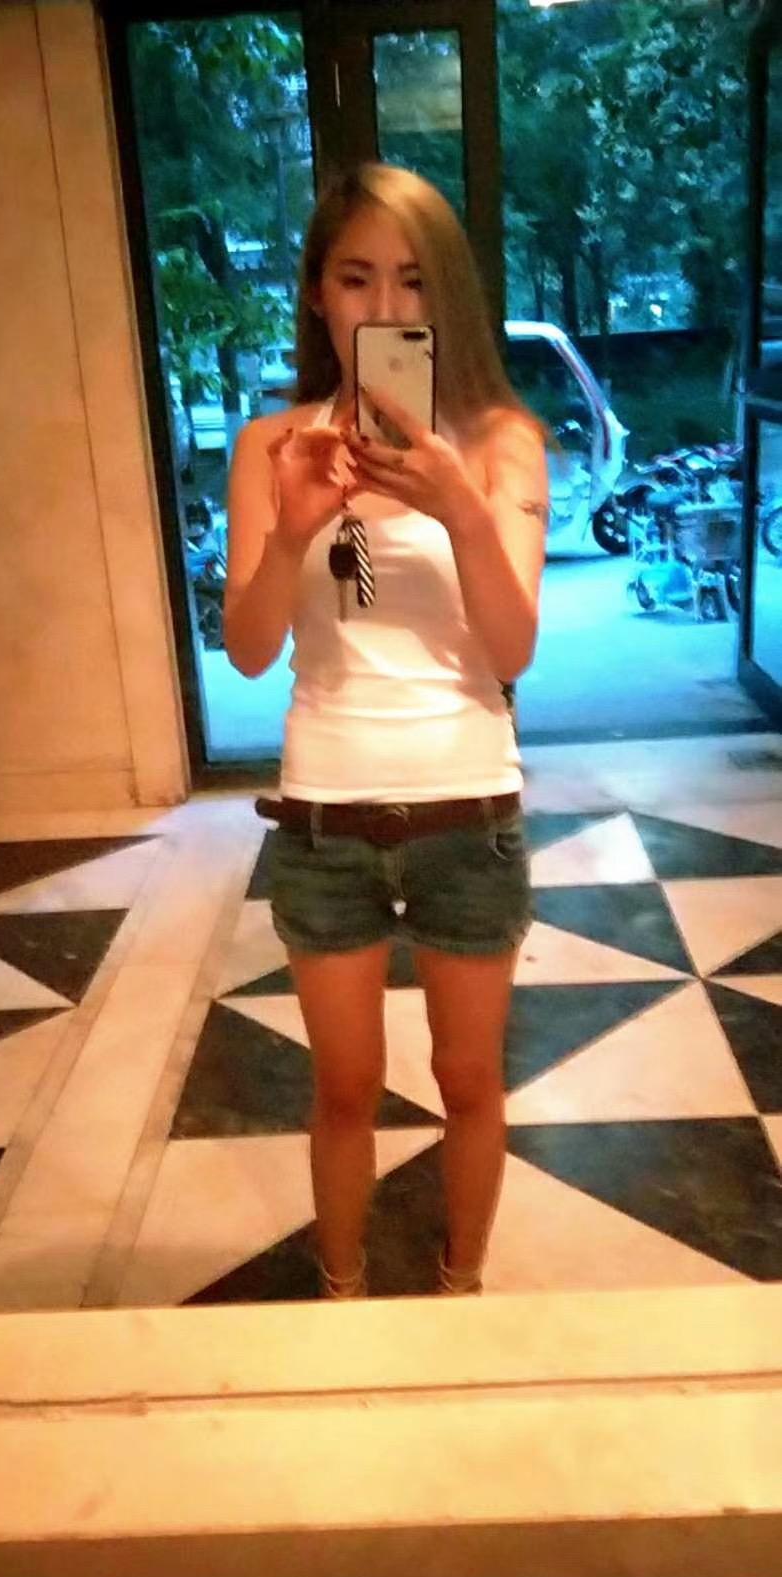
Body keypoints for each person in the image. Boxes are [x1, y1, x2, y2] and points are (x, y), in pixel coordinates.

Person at [224, 162, 547, 1301]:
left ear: (445, 293)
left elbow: (511, 651)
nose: (386, 307)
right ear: (317, 292)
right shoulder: (273, 444)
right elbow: (249, 648)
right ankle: (343, 1292)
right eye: (356, 278)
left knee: (469, 1081)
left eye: (413, 279)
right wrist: (291, 532)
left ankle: (461, 1289)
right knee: (344, 1088)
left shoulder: (500, 442)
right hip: (326, 817)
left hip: (470, 811)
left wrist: (459, 507)